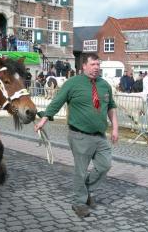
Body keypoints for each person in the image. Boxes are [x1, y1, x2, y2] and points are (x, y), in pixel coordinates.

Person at [34, 53, 118, 218]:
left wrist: (115, 128)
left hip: (100, 136)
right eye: (93, 64)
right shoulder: (72, 84)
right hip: (79, 135)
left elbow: (111, 108)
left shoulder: (104, 85)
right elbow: (56, 102)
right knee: (80, 171)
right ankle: (79, 202)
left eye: (98, 64)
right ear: (84, 66)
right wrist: (43, 120)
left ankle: (85, 190)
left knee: (105, 165)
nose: (96, 67)